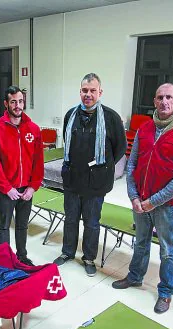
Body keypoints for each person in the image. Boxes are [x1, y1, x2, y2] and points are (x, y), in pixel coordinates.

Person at [112, 83, 173, 314]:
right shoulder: (145, 129)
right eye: (160, 97)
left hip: (165, 206)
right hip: (140, 201)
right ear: (154, 101)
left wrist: (154, 201)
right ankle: (135, 276)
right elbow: (132, 164)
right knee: (140, 242)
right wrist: (134, 196)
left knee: (167, 249)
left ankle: (166, 292)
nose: (164, 101)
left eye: (169, 97)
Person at [53, 73, 126, 277]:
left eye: (93, 90)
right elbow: (68, 143)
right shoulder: (71, 115)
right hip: (73, 178)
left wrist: (102, 165)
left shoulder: (111, 118)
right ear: (80, 92)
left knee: (92, 223)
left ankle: (88, 258)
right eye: (85, 90)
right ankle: (67, 252)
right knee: (70, 219)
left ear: (100, 92)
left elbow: (120, 148)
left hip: (96, 182)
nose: (88, 94)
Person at [0, 85, 44, 266]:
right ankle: (4, 259)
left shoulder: (33, 129)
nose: (17, 106)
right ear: (6, 104)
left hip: (26, 189)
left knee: (22, 225)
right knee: (4, 225)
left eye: (20, 101)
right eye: (13, 102)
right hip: (6, 190)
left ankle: (22, 256)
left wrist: (33, 187)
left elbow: (38, 161)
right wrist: (6, 188)